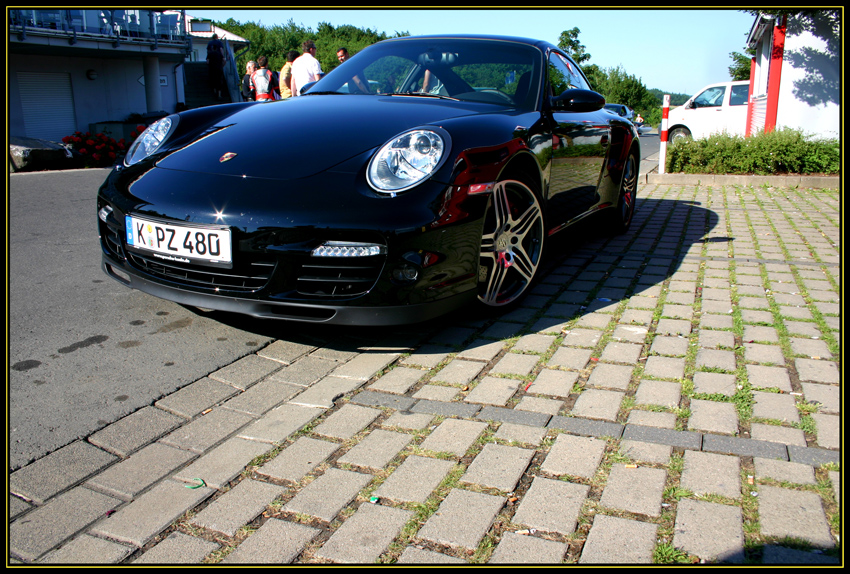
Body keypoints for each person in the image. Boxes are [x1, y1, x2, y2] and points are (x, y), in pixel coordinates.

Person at [206, 33, 226, 100]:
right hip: (218, 67)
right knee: (219, 80)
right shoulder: (219, 43)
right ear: (217, 37)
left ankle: (214, 91)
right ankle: (219, 94)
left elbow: (208, 54)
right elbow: (221, 50)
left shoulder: (210, 44)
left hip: (212, 67)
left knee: (212, 79)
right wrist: (223, 58)